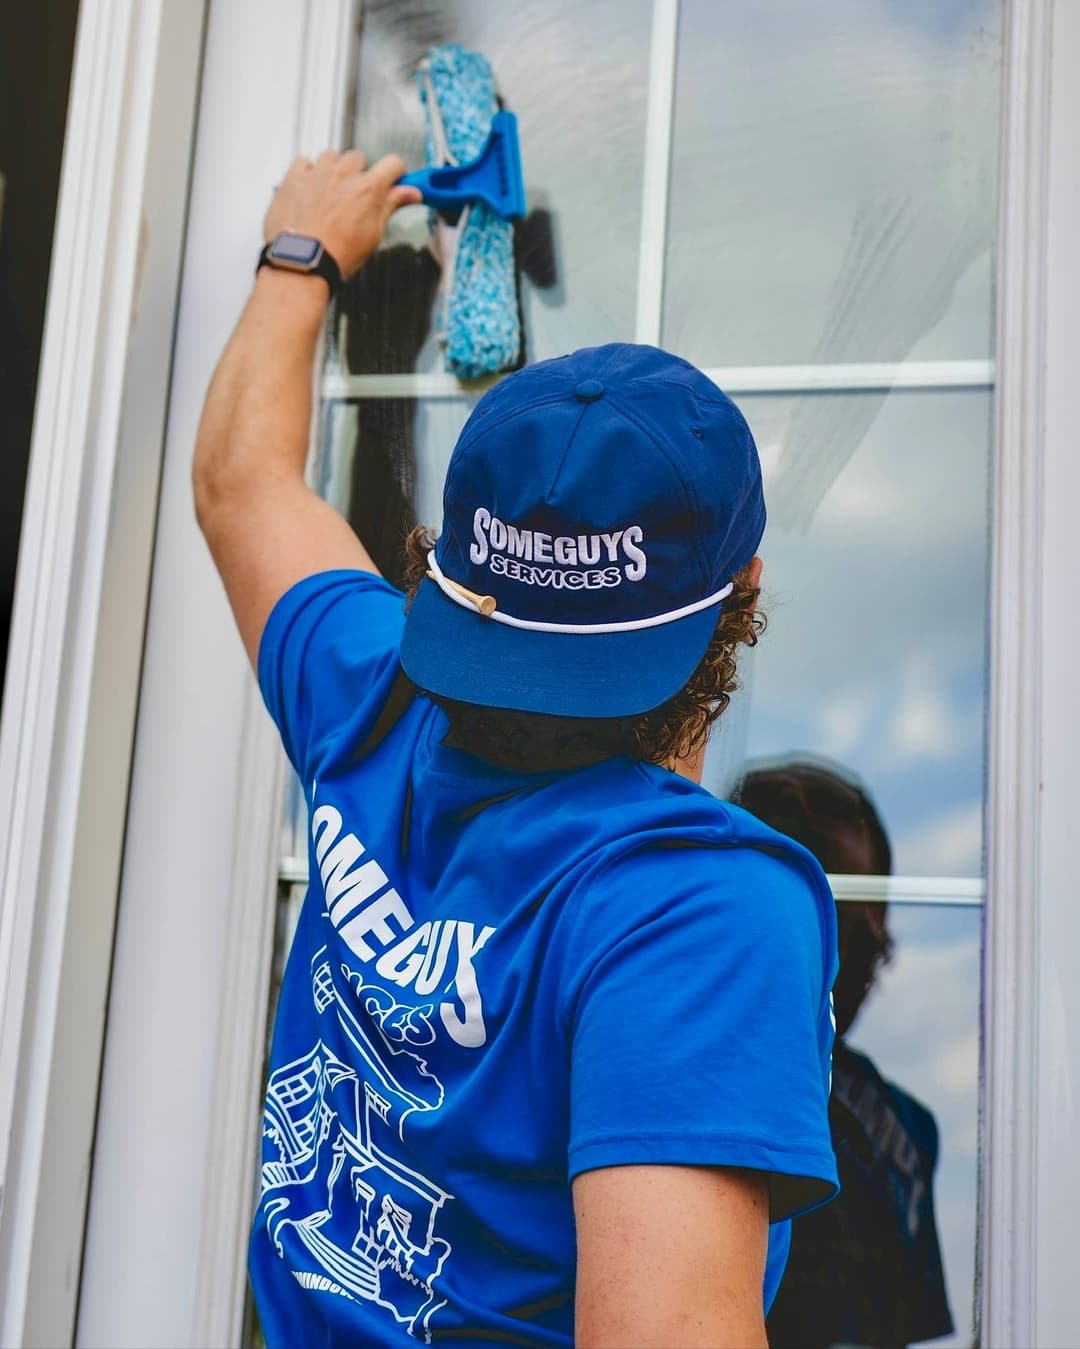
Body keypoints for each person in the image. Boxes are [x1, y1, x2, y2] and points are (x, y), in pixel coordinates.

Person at [193, 149, 839, 1349]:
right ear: (743, 585)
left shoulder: (368, 695)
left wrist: (303, 256)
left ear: (455, 566)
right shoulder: (691, 911)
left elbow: (240, 482)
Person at [737, 758, 954, 1348]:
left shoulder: (906, 1132)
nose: (862, 949)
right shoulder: (690, 1092)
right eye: (835, 916)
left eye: (863, 924)